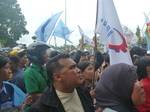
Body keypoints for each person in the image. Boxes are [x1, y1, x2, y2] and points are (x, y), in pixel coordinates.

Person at [29, 53, 95, 112]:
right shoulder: (41, 108)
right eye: (72, 68)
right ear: (57, 77)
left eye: (76, 66)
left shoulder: (84, 92)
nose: (78, 70)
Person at [23, 42, 50, 111]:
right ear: (36, 56)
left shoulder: (44, 69)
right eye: (44, 53)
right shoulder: (29, 73)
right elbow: (34, 96)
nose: (47, 55)